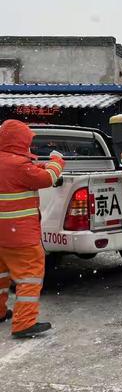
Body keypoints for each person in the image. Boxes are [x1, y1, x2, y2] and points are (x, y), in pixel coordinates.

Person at [0, 120, 65, 338]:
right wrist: (57, 160)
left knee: (1, 275)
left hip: (3, 237)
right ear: (20, 141)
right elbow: (48, 178)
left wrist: (37, 164)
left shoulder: (12, 163)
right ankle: (24, 324)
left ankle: (0, 312)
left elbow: (25, 171)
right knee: (29, 276)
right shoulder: (19, 166)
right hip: (20, 236)